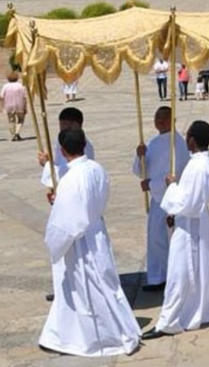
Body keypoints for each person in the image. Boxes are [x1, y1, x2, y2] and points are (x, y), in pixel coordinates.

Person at [38, 128, 141, 356]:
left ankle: (99, 336)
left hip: (80, 239)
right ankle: (62, 333)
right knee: (100, 283)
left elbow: (66, 220)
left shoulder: (71, 179)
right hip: (96, 232)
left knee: (88, 288)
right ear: (84, 145)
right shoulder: (97, 168)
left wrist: (54, 242)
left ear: (63, 151)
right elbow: (94, 199)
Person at [142, 121, 209, 339]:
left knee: (179, 272)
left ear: (192, 140)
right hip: (194, 222)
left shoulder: (198, 166)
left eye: (188, 136)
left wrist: (171, 186)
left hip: (191, 226)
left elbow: (190, 203)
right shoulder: (198, 161)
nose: (185, 139)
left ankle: (168, 321)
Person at [133, 106, 190, 291]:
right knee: (156, 239)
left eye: (163, 118)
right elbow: (141, 170)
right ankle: (158, 276)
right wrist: (140, 155)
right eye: (157, 118)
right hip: (158, 200)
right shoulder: (155, 142)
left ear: (172, 120)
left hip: (170, 199)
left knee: (170, 239)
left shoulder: (178, 144)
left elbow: (176, 173)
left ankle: (172, 277)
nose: (159, 122)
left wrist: (151, 185)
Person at [38, 107, 95, 193]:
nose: (63, 127)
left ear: (77, 125)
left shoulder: (82, 146)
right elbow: (60, 164)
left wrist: (47, 164)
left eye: (66, 124)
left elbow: (68, 172)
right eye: (62, 124)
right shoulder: (62, 139)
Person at [0, 71, 27, 142]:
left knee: (11, 120)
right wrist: (25, 107)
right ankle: (17, 132)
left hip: (9, 105)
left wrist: (3, 106)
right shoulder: (21, 86)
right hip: (19, 105)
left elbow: (2, 96)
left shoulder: (5, 86)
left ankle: (13, 134)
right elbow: (24, 97)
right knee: (21, 119)